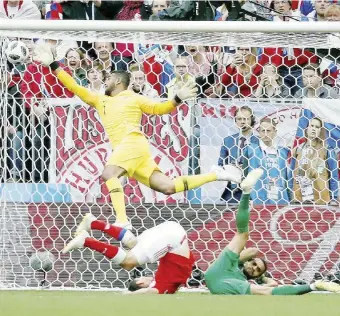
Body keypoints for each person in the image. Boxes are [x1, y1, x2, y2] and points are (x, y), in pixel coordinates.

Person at [34, 43, 242, 228]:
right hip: (133, 151)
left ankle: (122, 220)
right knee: (167, 186)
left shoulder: (134, 97)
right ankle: (218, 174)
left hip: (132, 143)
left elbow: (160, 109)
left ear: (117, 82)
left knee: (109, 175)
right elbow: (75, 86)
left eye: (109, 79)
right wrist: (53, 65)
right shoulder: (99, 99)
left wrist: (177, 98)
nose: (105, 81)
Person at [205, 168, 340, 295]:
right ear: (248, 261)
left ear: (256, 277)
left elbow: (273, 284)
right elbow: (253, 251)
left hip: (224, 282)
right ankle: (246, 193)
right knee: (242, 235)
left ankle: (246, 191)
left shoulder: (242, 282)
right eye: (254, 264)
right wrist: (247, 264)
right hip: (219, 271)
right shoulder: (235, 262)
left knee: (262, 290)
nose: (254, 268)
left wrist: (262, 278)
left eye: (257, 270)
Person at [62, 219, 195, 295]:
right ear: (141, 283)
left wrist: (130, 294)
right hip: (173, 235)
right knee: (130, 255)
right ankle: (90, 231)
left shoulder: (163, 282)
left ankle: (90, 231)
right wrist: (131, 295)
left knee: (131, 254)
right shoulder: (161, 286)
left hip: (174, 236)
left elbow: (148, 291)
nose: (143, 276)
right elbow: (148, 292)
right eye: (140, 277)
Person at [291, 117, 339, 205]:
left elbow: (333, 175)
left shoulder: (327, 150)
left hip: (321, 201)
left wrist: (334, 198)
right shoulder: (297, 150)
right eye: (311, 126)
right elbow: (291, 174)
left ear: (321, 131)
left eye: (317, 127)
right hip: (300, 200)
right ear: (306, 129)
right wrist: (291, 196)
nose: (313, 129)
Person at [218, 106, 259, 203]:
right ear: (235, 121)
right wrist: (230, 168)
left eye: (246, 119)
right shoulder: (228, 140)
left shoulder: (259, 141)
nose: (242, 122)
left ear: (252, 120)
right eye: (239, 119)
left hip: (253, 190)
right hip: (233, 190)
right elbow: (220, 164)